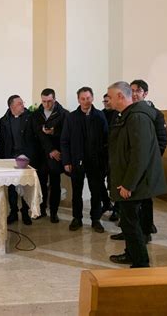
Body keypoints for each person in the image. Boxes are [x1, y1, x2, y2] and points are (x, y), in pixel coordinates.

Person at [107, 81, 167, 267]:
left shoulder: (137, 118)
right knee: (128, 221)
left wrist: (128, 184)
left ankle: (141, 262)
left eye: (110, 96)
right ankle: (131, 254)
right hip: (130, 179)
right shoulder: (127, 115)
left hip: (135, 182)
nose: (108, 100)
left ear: (120, 96)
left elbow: (139, 155)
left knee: (131, 222)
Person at [60, 87, 108, 233]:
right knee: (77, 192)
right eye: (83, 99)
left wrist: (105, 162)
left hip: (95, 161)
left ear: (92, 98)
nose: (86, 101)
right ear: (78, 100)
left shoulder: (100, 116)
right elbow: (64, 141)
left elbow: (106, 140)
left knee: (96, 192)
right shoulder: (71, 117)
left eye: (88, 98)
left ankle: (96, 219)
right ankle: (77, 218)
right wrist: (67, 161)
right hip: (76, 160)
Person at [31, 88, 68, 223]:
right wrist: (50, 149)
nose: (46, 104)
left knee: (55, 184)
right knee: (41, 184)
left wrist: (54, 133)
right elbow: (38, 135)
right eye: (44, 101)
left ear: (55, 99)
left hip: (56, 155)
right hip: (42, 154)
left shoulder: (63, 114)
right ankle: (41, 209)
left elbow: (66, 134)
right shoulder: (36, 114)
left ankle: (54, 212)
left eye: (49, 101)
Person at [0, 95, 34, 225]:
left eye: (22, 102)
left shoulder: (29, 117)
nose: (23, 105)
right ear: (12, 106)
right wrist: (1, 160)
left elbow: (33, 139)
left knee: (25, 185)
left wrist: (30, 156)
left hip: (26, 157)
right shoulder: (3, 120)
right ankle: (13, 212)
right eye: (19, 103)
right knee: (12, 186)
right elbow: (2, 141)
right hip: (10, 156)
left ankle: (25, 212)